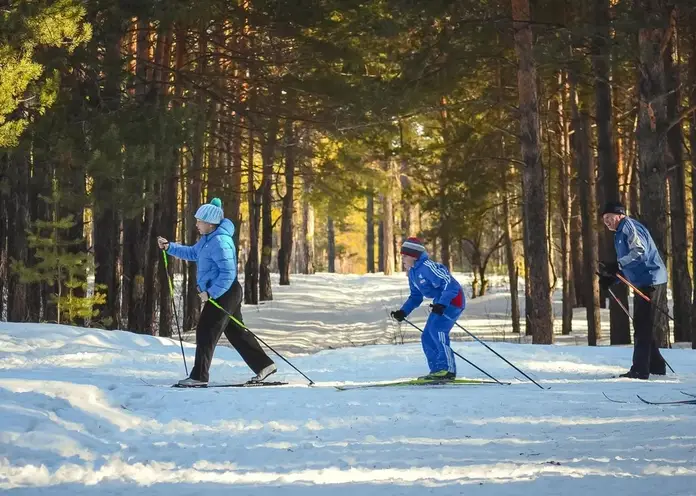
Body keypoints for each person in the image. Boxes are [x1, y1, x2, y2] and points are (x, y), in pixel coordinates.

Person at [157, 198, 276, 387]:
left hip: (225, 292)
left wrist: (211, 293)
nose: (196, 224)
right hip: (224, 292)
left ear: (210, 223)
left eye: (199, 221)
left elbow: (228, 273)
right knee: (236, 332)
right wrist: (170, 247)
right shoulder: (207, 240)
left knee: (206, 330)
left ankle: (199, 376)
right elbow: (192, 253)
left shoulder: (220, 241)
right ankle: (265, 365)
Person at [599, 201, 668, 380]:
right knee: (641, 324)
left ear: (619, 214)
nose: (606, 222)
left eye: (608, 218)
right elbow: (630, 262)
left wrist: (617, 265)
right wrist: (612, 278)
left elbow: (639, 251)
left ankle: (640, 370)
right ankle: (656, 366)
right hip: (642, 281)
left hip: (651, 280)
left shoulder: (628, 226)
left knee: (642, 325)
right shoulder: (619, 233)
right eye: (604, 219)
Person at [390, 237, 465, 381]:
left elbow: (451, 284)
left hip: (453, 300)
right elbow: (416, 296)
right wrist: (403, 311)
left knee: (437, 330)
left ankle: (447, 369)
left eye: (404, 256)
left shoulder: (428, 267)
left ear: (413, 255)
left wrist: (442, 304)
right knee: (427, 335)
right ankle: (437, 370)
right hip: (440, 302)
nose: (402, 259)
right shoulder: (412, 273)